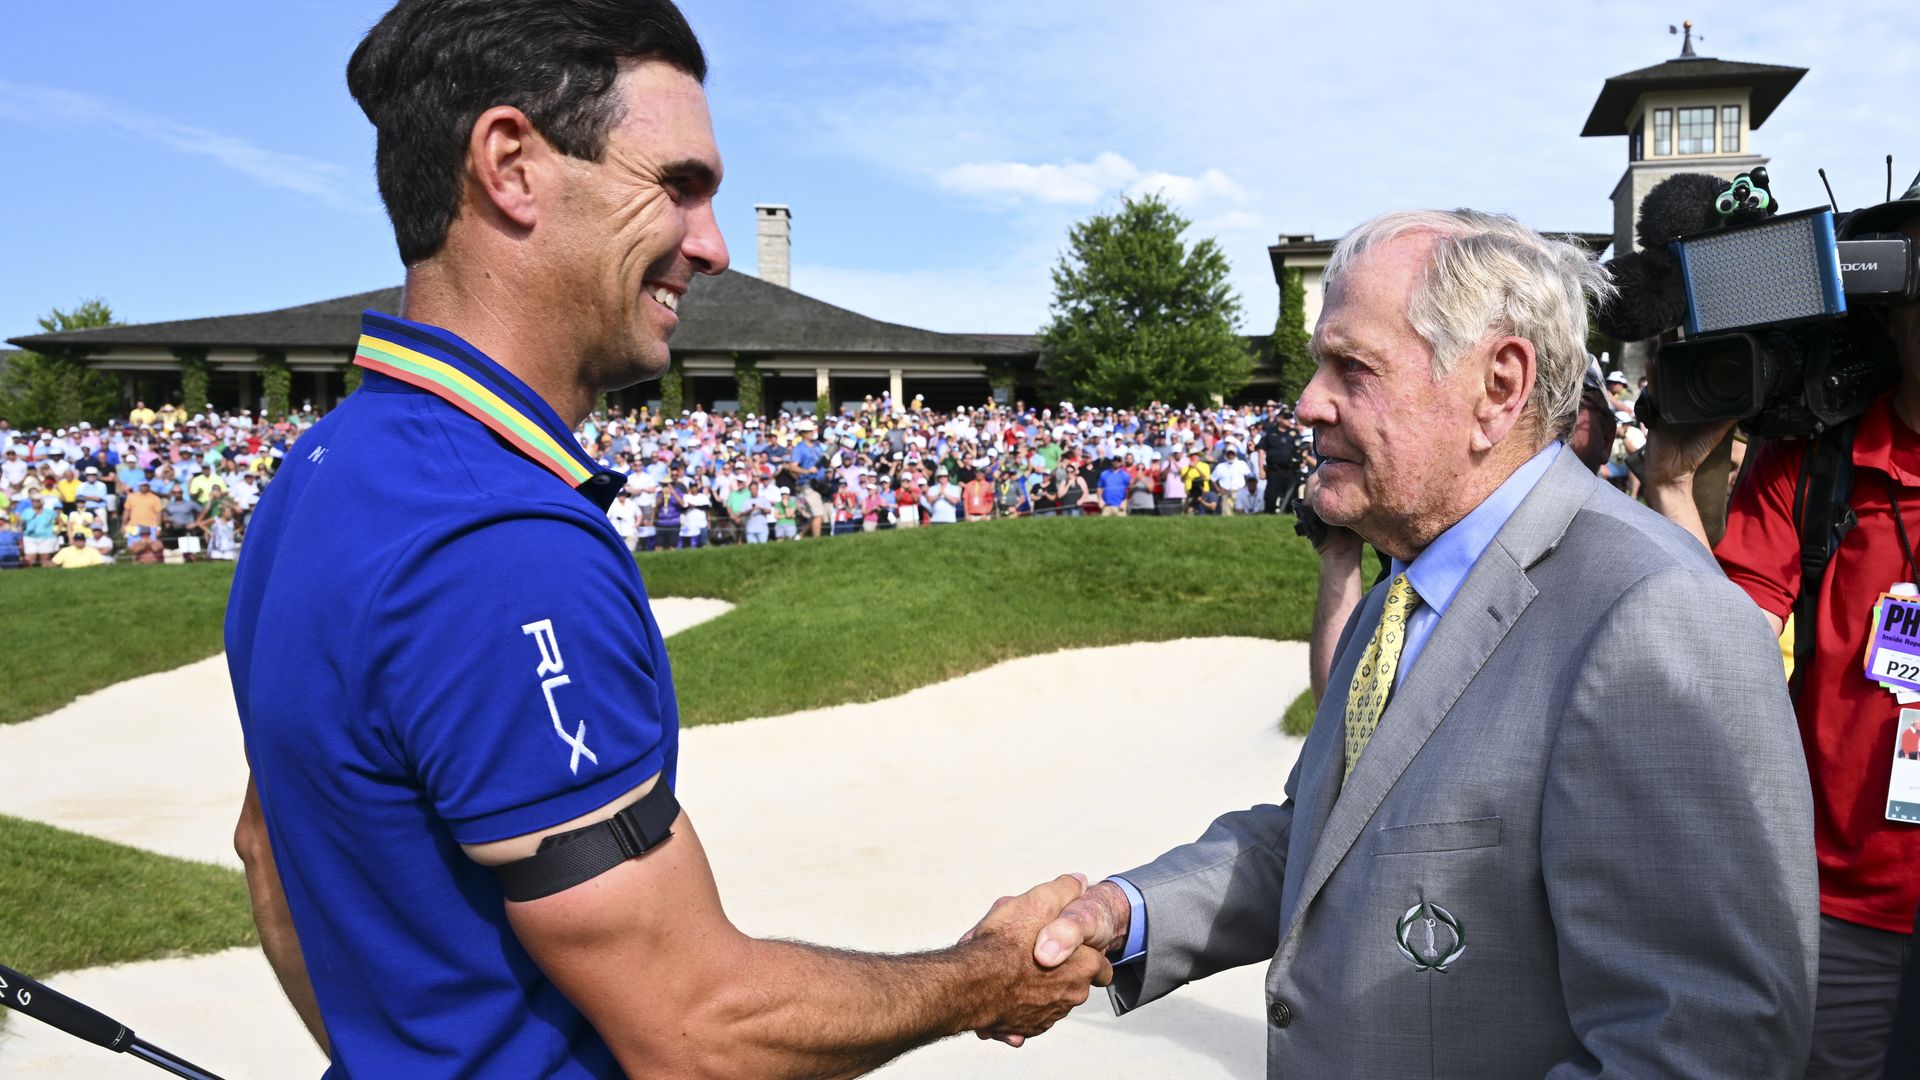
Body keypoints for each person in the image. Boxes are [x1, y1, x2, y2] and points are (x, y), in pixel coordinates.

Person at [227, 5, 1106, 1077]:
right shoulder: (501, 545)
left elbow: (267, 857)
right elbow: (694, 1031)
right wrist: (986, 976)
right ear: (510, 165)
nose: (714, 244)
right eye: (678, 185)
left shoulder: (323, 468)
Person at [1015, 209, 1817, 1077]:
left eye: (1351, 367)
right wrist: (1125, 912)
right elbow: (1322, 836)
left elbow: (1704, 1044)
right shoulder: (1403, 587)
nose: (1308, 402)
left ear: (1499, 387)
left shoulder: (1657, 617)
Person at [1644, 183, 1920, 1080]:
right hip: (1840, 908)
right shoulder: (1815, 460)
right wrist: (1675, 490)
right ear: (1887, 304)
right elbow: (1722, 647)